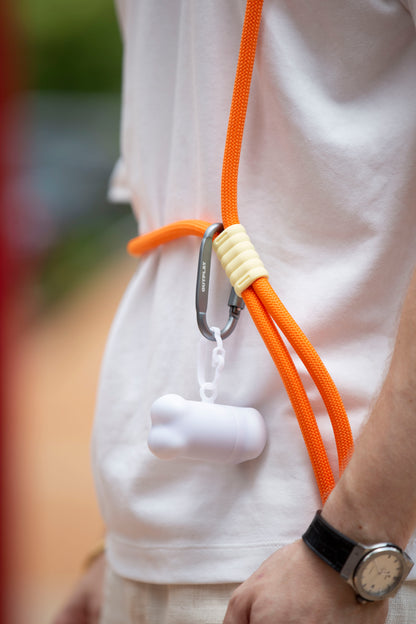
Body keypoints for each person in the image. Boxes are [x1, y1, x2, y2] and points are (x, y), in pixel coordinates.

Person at [53, 1, 416, 622]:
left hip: (333, 555)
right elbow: (175, 178)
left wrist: (356, 542)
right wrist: (125, 542)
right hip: (150, 554)